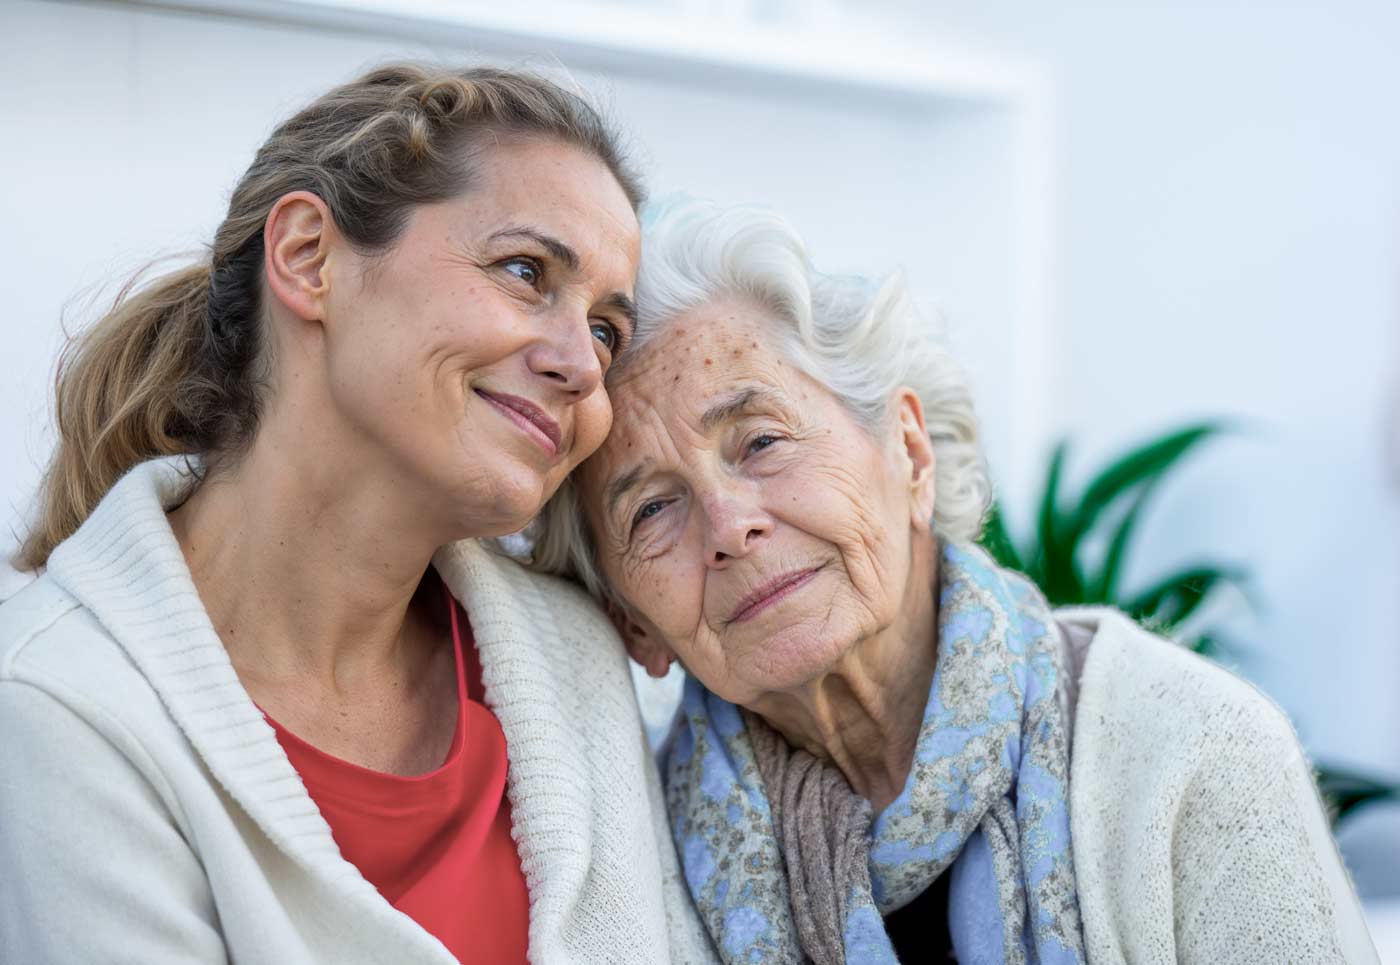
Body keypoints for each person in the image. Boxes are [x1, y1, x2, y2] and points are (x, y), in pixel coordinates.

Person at [530, 197, 1379, 963]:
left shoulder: (1195, 753)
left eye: (761, 441)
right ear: (631, 620)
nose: (728, 525)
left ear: (909, 449)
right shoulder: (626, 858)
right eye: (650, 510)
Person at [0, 65, 712, 964]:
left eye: (607, 330)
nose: (582, 364)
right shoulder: (60, 704)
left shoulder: (573, 662)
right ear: (307, 256)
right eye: (525, 271)